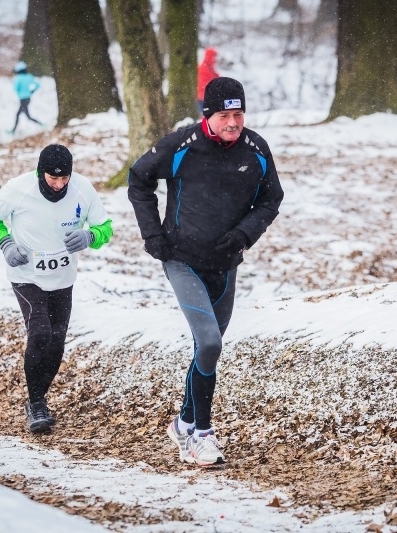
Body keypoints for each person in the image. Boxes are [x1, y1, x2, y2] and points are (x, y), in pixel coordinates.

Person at [128, 77, 284, 466]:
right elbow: (138, 180)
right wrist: (153, 235)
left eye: (239, 114)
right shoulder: (180, 145)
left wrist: (244, 235)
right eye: (225, 115)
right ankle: (201, 434)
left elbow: (271, 199)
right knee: (210, 343)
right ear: (207, 115)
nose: (233, 122)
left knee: (206, 351)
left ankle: (182, 423)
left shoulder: (256, 149)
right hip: (182, 259)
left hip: (225, 264)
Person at [0, 144, 113, 434]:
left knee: (57, 340)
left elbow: (106, 227)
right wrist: (6, 244)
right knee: (40, 332)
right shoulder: (19, 189)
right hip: (25, 273)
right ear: (41, 173)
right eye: (53, 179)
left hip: (63, 278)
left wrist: (90, 236)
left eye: (64, 178)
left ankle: (38, 395)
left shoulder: (82, 189)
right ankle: (36, 402)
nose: (59, 184)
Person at [9, 61, 42, 133]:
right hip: (28, 98)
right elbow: (38, 85)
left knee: (19, 115)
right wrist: (32, 91)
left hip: (23, 99)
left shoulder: (18, 78)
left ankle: (13, 131)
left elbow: (16, 88)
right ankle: (41, 125)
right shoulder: (29, 76)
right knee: (27, 116)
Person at [197, 47, 219, 116]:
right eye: (214, 57)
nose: (215, 59)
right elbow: (206, 83)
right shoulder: (203, 68)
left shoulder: (210, 68)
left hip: (207, 97)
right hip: (203, 97)